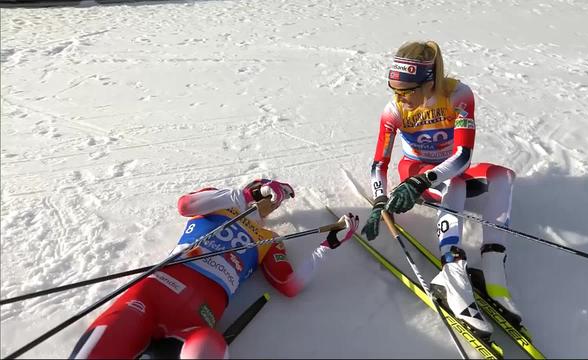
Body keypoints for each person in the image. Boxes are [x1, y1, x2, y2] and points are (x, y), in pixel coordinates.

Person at [69, 179, 359, 359]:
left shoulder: (270, 240)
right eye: (268, 193)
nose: (270, 202)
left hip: (196, 321)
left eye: (276, 199)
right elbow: (185, 204)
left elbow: (290, 285)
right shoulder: (217, 203)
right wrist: (244, 195)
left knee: (208, 349)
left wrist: (327, 247)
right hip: (152, 293)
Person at [360, 40, 521, 338]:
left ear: (429, 81)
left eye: (407, 91)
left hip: (444, 171)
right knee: (455, 182)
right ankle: (452, 272)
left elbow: (462, 156)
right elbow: (378, 164)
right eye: (395, 90)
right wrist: (380, 198)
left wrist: (428, 179)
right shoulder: (393, 110)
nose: (401, 98)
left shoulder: (458, 95)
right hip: (415, 170)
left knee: (504, 177)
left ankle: (494, 275)